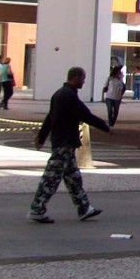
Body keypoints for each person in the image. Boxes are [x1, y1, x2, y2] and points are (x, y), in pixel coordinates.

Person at [28, 67, 109, 224]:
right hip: (63, 143)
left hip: (64, 142)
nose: (84, 81)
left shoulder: (59, 94)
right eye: (83, 78)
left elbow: (49, 117)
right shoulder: (68, 96)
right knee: (51, 179)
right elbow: (85, 115)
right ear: (76, 77)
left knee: (73, 178)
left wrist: (42, 137)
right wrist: (105, 127)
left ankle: (84, 208)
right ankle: (37, 208)